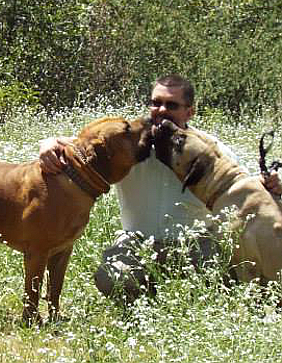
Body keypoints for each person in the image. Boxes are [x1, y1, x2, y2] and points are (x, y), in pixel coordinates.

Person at [39, 74, 282, 304]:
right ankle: (144, 303)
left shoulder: (210, 149)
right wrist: (48, 143)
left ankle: (184, 302)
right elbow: (77, 146)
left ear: (190, 111)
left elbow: (242, 185)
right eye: (156, 103)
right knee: (111, 278)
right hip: (138, 243)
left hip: (194, 244)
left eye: (172, 105)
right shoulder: (123, 144)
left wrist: (275, 183)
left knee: (222, 282)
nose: (162, 110)